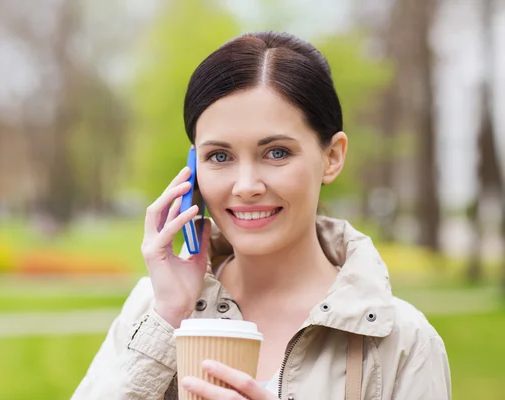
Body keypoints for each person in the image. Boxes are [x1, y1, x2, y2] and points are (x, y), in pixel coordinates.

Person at [71, 31, 451, 400]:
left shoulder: (404, 342)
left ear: (331, 156)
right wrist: (168, 317)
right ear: (194, 167)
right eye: (219, 156)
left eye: (277, 153)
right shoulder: (152, 309)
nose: (246, 185)